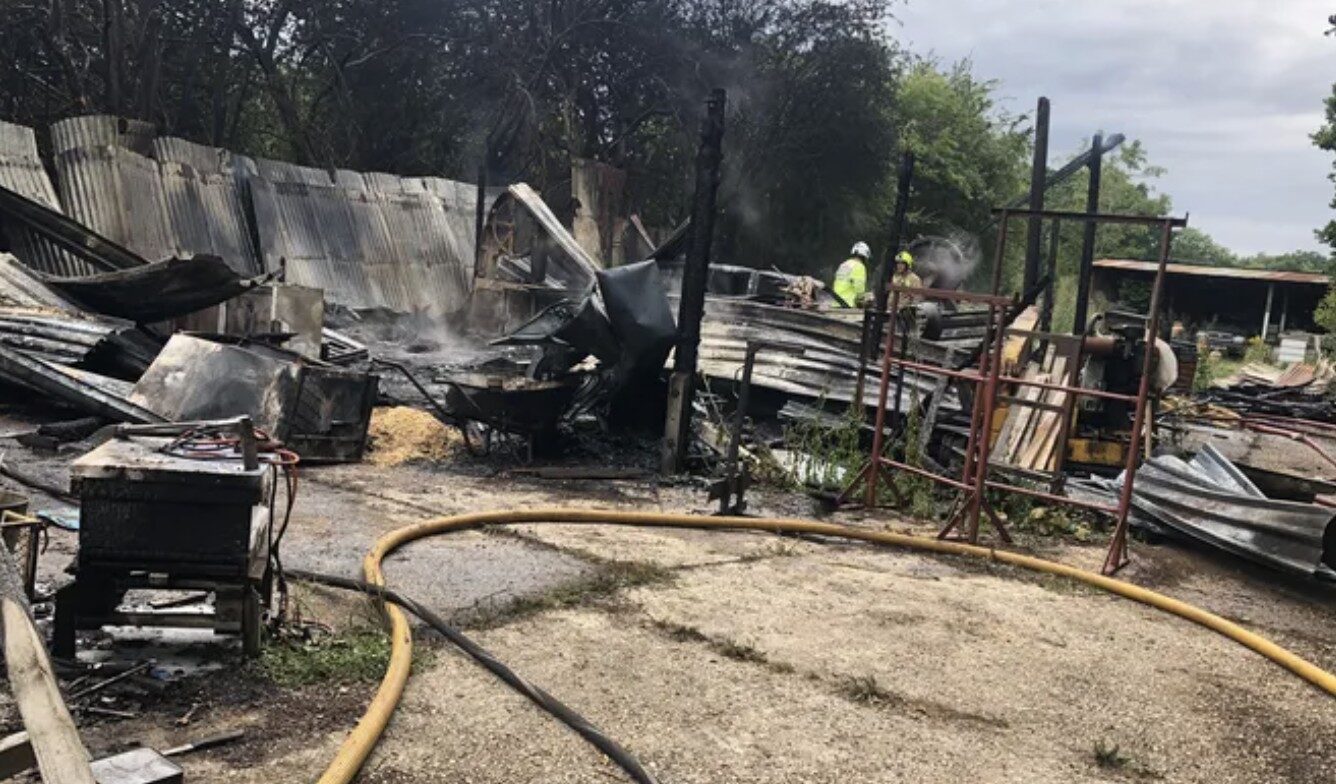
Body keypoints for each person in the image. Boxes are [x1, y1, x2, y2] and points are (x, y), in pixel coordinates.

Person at [833, 242, 871, 308]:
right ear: (865, 256)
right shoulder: (859, 266)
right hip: (848, 303)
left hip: (836, 302)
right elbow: (859, 290)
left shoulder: (844, 264)